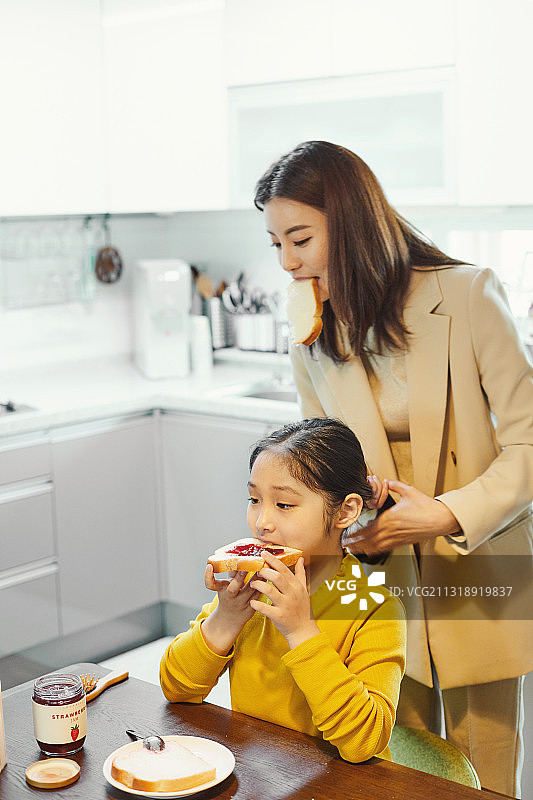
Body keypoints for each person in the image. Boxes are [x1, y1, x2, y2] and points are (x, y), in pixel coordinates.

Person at [253, 140, 533, 798]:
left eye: (299, 239)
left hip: (479, 564)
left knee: (483, 766)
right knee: (390, 765)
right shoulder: (310, 331)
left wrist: (444, 513)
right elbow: (318, 466)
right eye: (275, 245)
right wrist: (332, 528)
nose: (289, 263)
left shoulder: (467, 295)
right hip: (373, 579)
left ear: (349, 224)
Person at [160, 418, 406, 763]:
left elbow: (365, 741)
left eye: (284, 505)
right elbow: (177, 689)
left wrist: (301, 630)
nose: (262, 522)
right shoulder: (252, 586)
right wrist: (225, 617)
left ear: (346, 511)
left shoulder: (376, 609)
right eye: (254, 499)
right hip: (258, 774)